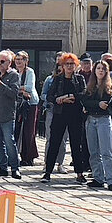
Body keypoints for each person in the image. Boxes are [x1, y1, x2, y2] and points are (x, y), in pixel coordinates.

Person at [42, 53, 87, 184]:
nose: (69, 66)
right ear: (62, 65)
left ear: (75, 65)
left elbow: (83, 93)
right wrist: (58, 99)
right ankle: (47, 172)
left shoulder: (79, 79)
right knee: (54, 143)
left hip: (75, 115)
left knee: (75, 144)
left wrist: (70, 96)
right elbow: (50, 96)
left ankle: (79, 173)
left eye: (71, 64)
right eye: (67, 64)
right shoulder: (57, 79)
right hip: (60, 114)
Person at [83, 60, 112, 191]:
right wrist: (97, 104)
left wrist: (95, 104)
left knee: (106, 151)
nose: (100, 71)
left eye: (103, 69)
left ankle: (111, 180)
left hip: (103, 120)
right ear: (94, 70)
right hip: (91, 120)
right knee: (94, 151)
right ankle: (98, 177)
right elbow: (85, 101)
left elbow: (108, 104)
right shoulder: (90, 86)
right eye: (98, 68)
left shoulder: (109, 87)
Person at [0, 51, 22, 179]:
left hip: (7, 114)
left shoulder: (14, 75)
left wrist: (0, 84)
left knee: (9, 142)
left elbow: (14, 94)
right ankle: (2, 167)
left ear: (9, 62)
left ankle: (15, 168)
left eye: (2, 61)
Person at [41, 53, 68, 174]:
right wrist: (55, 98)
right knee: (50, 137)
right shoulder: (50, 79)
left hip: (65, 111)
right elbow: (43, 94)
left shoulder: (71, 79)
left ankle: (60, 163)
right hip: (52, 110)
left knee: (63, 139)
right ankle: (47, 163)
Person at [13, 51, 39, 166]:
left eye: (21, 59)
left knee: (29, 131)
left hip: (30, 104)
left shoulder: (30, 72)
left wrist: (18, 88)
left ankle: (28, 157)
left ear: (26, 61)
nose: (18, 61)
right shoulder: (14, 73)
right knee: (17, 130)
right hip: (18, 103)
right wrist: (20, 89)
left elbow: (30, 87)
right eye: (17, 59)